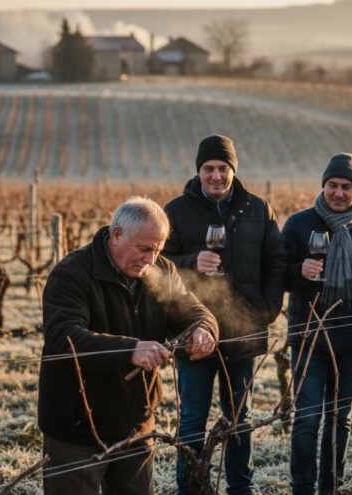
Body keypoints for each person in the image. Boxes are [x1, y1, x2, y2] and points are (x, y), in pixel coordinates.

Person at [39, 197, 218, 495]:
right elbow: (63, 338)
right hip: (77, 428)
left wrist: (204, 329)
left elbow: (193, 311)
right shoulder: (72, 273)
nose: (150, 259)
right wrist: (130, 350)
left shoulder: (160, 271)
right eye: (144, 248)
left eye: (157, 250)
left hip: (136, 425)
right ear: (117, 234)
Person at [162, 134, 286, 495]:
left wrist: (266, 309)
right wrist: (191, 262)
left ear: (233, 169)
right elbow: (156, 264)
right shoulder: (176, 211)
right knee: (192, 423)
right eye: (208, 168)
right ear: (198, 170)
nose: (215, 176)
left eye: (222, 168)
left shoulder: (258, 209)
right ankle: (191, 488)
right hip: (193, 332)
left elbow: (276, 261)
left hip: (242, 331)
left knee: (239, 421)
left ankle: (240, 489)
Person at [282, 153, 352, 495]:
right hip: (309, 340)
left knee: (339, 420)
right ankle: (302, 487)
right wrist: (298, 273)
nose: (339, 193)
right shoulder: (300, 224)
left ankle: (331, 485)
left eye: (347, 186)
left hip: (351, 344)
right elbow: (276, 274)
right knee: (306, 420)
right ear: (323, 185)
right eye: (333, 185)